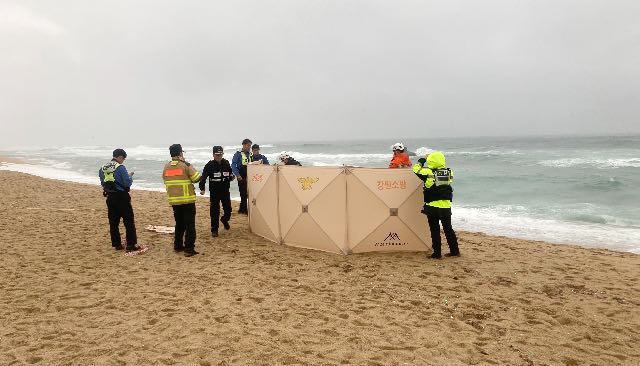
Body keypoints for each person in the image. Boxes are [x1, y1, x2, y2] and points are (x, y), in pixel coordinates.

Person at [413, 151, 460, 259]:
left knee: (435, 230)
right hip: (446, 206)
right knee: (448, 229)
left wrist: (423, 159)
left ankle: (437, 253)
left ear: (431, 160)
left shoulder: (428, 172)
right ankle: (455, 251)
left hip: (433, 206)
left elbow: (416, 169)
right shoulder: (449, 172)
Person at [162, 144, 202, 257]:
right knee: (190, 225)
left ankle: (178, 246)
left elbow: (165, 179)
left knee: (179, 224)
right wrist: (188, 164)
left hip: (174, 201)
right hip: (187, 200)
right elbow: (196, 178)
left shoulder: (166, 167)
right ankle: (189, 249)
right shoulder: (184, 165)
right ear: (180, 153)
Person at [98, 148, 139, 252]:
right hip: (122, 197)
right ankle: (131, 245)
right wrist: (130, 177)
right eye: (123, 159)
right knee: (128, 221)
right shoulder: (120, 167)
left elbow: (103, 182)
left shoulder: (102, 168)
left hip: (110, 197)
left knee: (113, 223)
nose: (123, 161)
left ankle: (117, 244)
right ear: (120, 157)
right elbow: (127, 183)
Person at [199, 146, 234, 237]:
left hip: (225, 191)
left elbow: (230, 174)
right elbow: (203, 178)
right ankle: (214, 230)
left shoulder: (226, 163)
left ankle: (224, 219)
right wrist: (202, 188)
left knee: (228, 210)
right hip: (214, 192)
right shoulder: (209, 165)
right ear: (213, 154)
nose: (219, 156)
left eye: (221, 154)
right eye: (217, 155)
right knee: (214, 211)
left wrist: (231, 177)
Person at [231, 138, 252, 214]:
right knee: (243, 193)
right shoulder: (238, 154)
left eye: (250, 145)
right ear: (243, 145)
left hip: (249, 175)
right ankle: (244, 210)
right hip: (241, 175)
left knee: (248, 193)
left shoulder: (250, 154)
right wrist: (237, 175)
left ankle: (242, 209)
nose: (249, 147)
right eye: (248, 145)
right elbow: (233, 165)